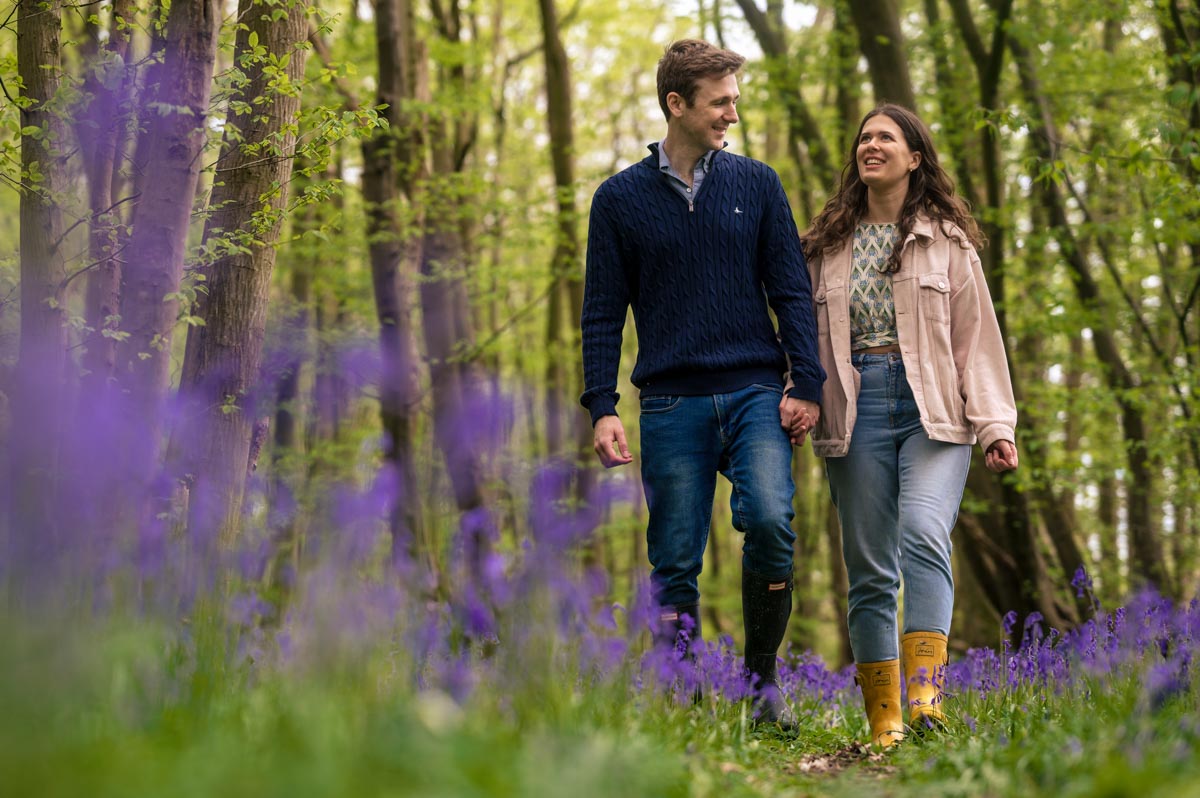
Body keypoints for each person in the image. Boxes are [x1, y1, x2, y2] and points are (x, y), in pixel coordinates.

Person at [580, 39, 824, 728]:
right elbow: (602, 310)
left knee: (774, 524)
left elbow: (792, 293)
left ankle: (762, 687)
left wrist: (805, 382)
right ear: (676, 104)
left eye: (735, 102)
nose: (732, 115)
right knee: (675, 561)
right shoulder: (619, 200)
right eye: (721, 103)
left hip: (755, 393)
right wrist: (602, 405)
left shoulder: (759, 183)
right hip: (668, 402)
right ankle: (683, 700)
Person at [794, 104, 1019, 747]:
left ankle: (926, 702)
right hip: (854, 404)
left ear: (914, 157)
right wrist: (798, 394)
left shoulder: (947, 239)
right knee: (868, 568)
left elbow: (977, 341)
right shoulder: (826, 244)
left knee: (923, 531)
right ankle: (885, 720)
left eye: (885, 137)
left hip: (935, 410)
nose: (871, 145)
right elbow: (800, 336)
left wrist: (995, 425)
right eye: (863, 137)